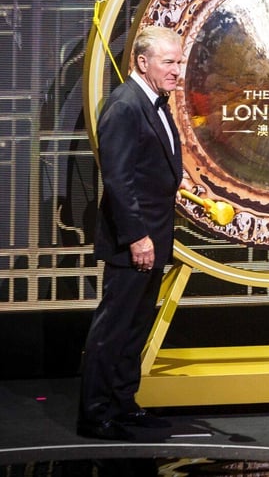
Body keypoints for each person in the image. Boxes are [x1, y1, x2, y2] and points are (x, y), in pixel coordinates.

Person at [77, 26, 184, 439]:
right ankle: (96, 415)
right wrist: (137, 237)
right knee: (113, 329)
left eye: (179, 61)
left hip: (155, 237)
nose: (177, 70)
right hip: (134, 241)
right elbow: (118, 181)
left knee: (135, 328)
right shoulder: (125, 105)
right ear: (142, 62)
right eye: (169, 62)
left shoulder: (155, 101)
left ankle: (123, 406)